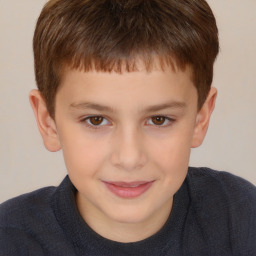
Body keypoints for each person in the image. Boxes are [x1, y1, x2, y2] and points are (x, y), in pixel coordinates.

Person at [0, 0, 255, 255]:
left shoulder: (241, 218)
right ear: (49, 122)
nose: (130, 158)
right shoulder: (9, 240)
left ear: (200, 119)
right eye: (96, 120)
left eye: (159, 119)